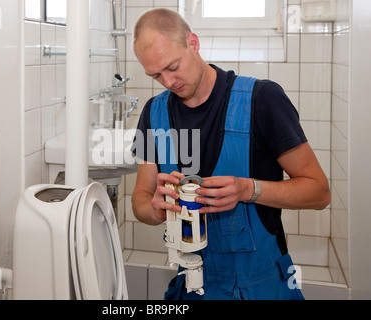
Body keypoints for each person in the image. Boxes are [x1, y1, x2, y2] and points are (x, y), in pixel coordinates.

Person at [130, 8, 330, 300]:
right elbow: (140, 199)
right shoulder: (153, 113)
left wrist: (248, 189)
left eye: (173, 66)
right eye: (156, 75)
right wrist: (156, 209)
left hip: (262, 286)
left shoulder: (262, 100)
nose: (169, 81)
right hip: (192, 283)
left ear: (193, 43)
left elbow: (319, 192)